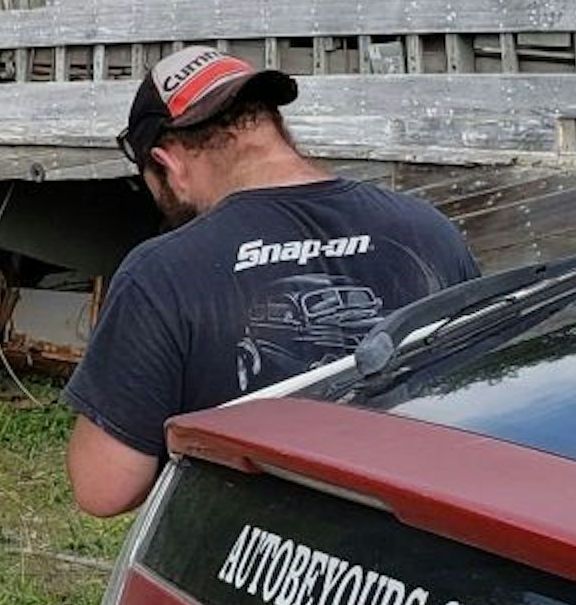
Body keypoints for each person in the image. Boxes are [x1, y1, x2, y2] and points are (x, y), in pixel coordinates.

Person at [62, 45, 479, 515]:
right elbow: (478, 408)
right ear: (274, 125)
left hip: (252, 567)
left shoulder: (161, 273)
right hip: (418, 558)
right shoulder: (429, 231)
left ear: (169, 164)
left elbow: (104, 487)